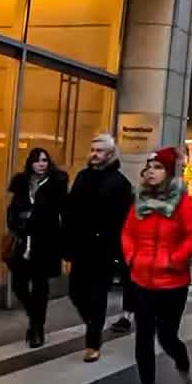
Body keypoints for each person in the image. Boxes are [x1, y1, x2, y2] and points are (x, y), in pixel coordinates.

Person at [121, 147, 192, 384]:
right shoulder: (139, 200)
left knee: (168, 337)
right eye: (149, 167)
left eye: (158, 167)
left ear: (168, 172)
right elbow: (127, 233)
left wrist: (174, 259)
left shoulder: (182, 202)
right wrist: (132, 256)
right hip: (143, 280)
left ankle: (183, 368)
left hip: (173, 282)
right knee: (143, 337)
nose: (151, 172)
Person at [63, 133, 134, 363]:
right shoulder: (82, 177)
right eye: (93, 149)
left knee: (97, 295)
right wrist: (68, 244)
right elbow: (70, 212)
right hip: (81, 247)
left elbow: (124, 221)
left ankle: (93, 342)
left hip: (104, 249)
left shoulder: (120, 183)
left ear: (110, 154)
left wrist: (119, 253)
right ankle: (92, 323)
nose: (94, 154)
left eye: (100, 151)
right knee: (75, 292)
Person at [6, 148, 69, 348]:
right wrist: (17, 223)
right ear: (30, 163)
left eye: (44, 160)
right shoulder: (21, 182)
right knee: (19, 284)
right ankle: (34, 318)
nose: (41, 164)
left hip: (45, 241)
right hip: (23, 241)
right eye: (37, 161)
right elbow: (13, 209)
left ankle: (37, 329)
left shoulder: (56, 183)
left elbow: (62, 211)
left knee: (40, 287)